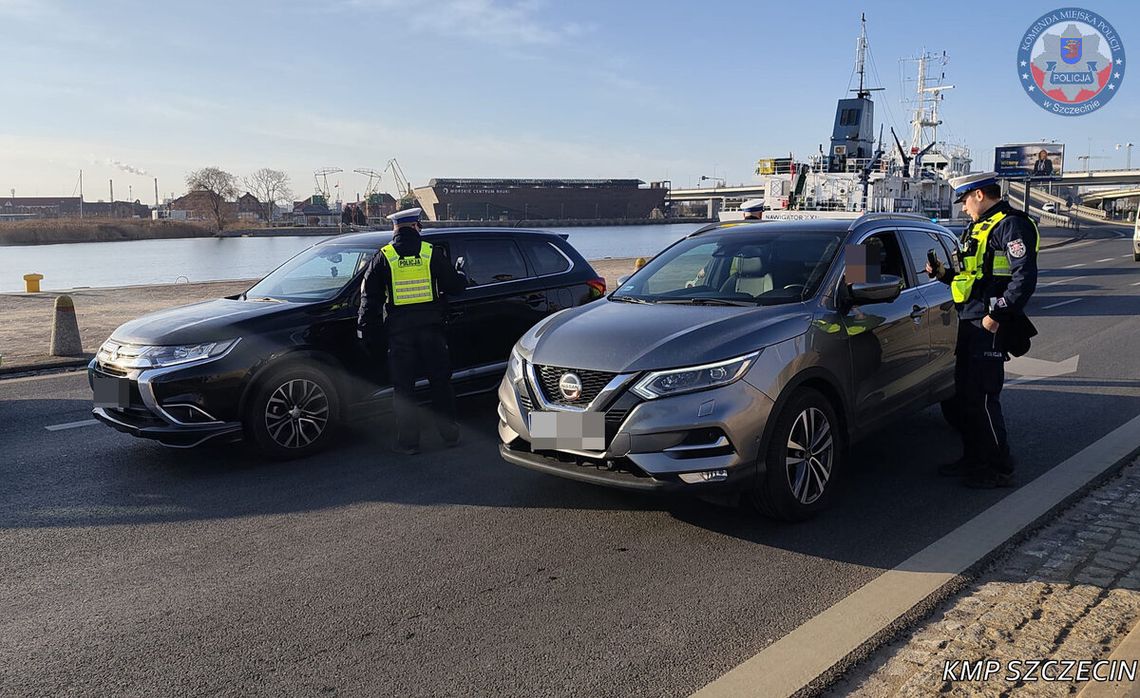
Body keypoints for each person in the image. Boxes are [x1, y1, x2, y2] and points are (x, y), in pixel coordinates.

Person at [926, 172, 1039, 488]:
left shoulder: (1010, 225)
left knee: (983, 397)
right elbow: (973, 277)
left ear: (979, 194)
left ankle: (999, 468)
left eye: (964, 200)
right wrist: (943, 274)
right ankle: (974, 459)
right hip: (970, 319)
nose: (963, 208)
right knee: (966, 396)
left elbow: (1024, 278)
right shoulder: (979, 226)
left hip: (988, 322)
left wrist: (996, 315)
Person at [358, 207, 467, 455]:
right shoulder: (431, 253)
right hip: (432, 332)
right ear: (417, 226)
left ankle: (409, 443)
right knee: (440, 383)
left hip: (400, 336)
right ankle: (449, 435)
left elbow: (369, 301)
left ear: (394, 228)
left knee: (404, 390)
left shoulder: (383, 257)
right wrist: (460, 274)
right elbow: (455, 287)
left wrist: (365, 333)